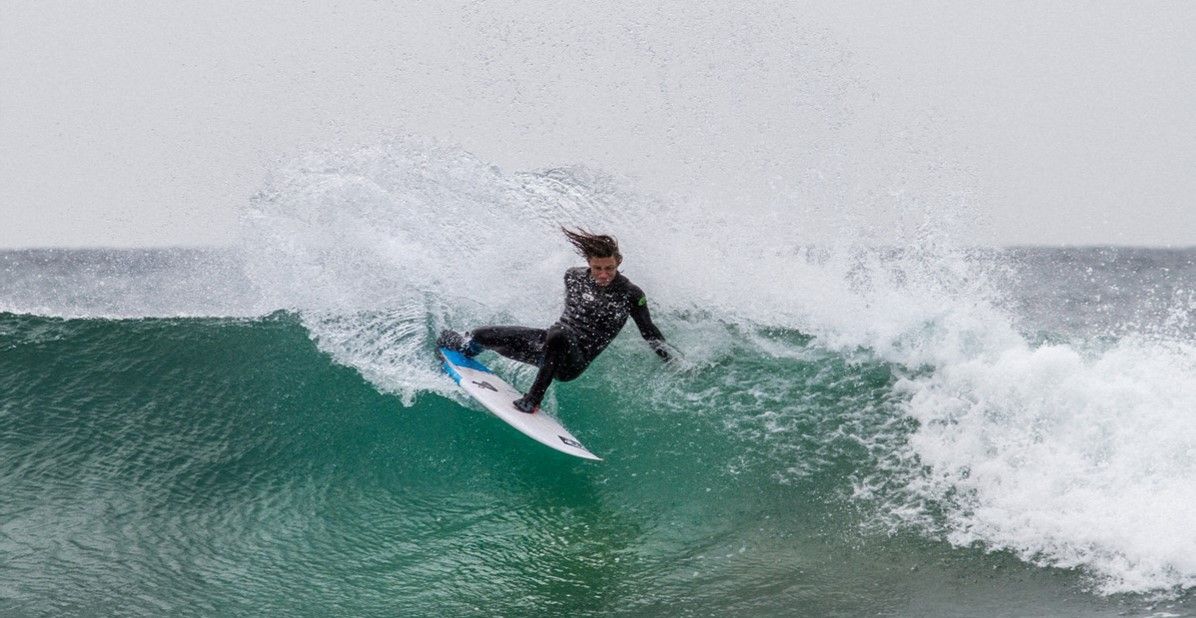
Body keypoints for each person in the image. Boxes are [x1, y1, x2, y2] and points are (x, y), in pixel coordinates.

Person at [437, 227, 671, 413]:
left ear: (618, 261)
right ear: (588, 261)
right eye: (597, 267)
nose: (603, 274)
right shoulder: (573, 276)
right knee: (481, 335)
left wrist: (670, 360)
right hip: (548, 346)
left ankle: (533, 399)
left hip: (571, 363)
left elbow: (649, 331)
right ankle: (464, 348)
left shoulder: (631, 294)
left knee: (559, 334)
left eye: (609, 268)